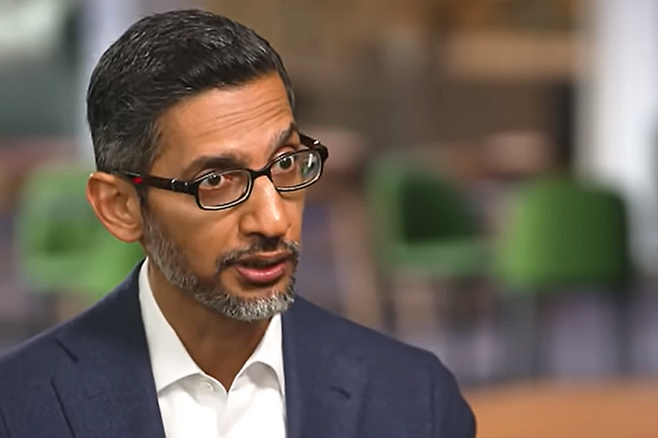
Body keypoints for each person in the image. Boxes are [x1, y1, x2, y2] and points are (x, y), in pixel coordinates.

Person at [0, 9, 475, 438]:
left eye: (285, 163)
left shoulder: (416, 400)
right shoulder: (19, 407)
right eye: (216, 181)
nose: (273, 220)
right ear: (120, 207)